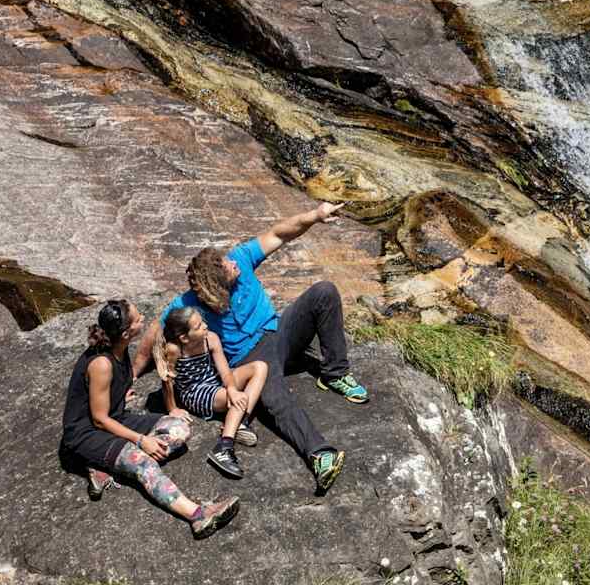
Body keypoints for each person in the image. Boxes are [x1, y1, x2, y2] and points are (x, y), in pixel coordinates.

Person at [134, 202, 368, 495]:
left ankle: (334, 373)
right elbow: (156, 331)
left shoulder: (241, 259)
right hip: (250, 356)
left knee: (324, 291)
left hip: (279, 332)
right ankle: (320, 454)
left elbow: (280, 234)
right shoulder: (189, 304)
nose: (232, 263)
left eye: (227, 261)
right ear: (217, 288)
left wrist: (315, 215)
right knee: (279, 397)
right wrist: (131, 374)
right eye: (226, 267)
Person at [60, 300, 239, 540]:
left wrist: (119, 391)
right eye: (137, 319)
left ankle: (113, 461)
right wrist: (141, 441)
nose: (143, 318)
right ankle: (197, 515)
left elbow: (106, 397)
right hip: (87, 433)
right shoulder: (101, 363)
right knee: (143, 463)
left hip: (115, 418)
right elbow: (99, 419)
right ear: (126, 333)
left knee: (178, 428)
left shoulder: (119, 349)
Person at [154, 307, 268, 479]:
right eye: (199, 326)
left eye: (203, 322)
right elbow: (167, 380)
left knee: (260, 366)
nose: (205, 326)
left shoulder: (211, 339)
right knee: (241, 398)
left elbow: (225, 371)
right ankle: (224, 446)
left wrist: (231, 389)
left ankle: (240, 422)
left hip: (215, 382)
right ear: (184, 337)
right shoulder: (174, 349)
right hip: (195, 393)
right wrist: (172, 408)